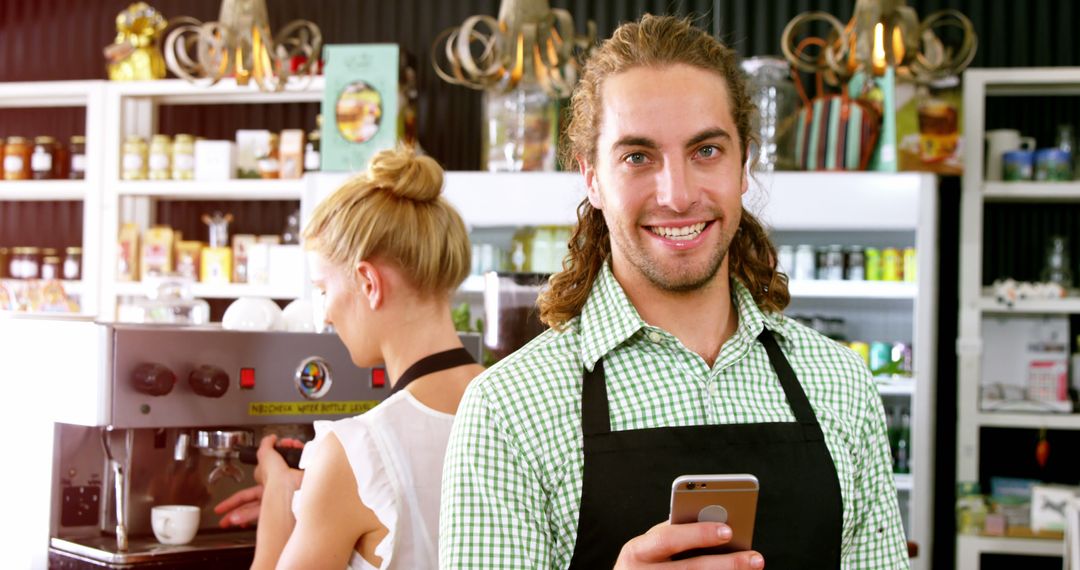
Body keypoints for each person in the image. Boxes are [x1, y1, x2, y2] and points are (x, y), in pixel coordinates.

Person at [439, 14, 908, 570]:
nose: (679, 195)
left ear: (743, 165)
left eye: (705, 151)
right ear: (591, 177)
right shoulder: (510, 409)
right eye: (638, 157)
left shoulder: (841, 385)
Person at [220, 146, 483, 569]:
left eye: (324, 288)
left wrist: (279, 496)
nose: (323, 313)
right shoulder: (516, 411)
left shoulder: (357, 451)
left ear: (368, 283)